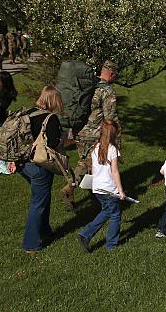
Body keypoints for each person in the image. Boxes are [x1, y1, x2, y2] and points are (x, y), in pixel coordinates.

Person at [63, 60, 120, 210]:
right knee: (90, 163)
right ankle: (71, 186)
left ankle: (92, 194)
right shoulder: (107, 91)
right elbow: (110, 118)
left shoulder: (88, 85)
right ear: (112, 74)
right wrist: (116, 138)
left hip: (79, 131)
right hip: (95, 135)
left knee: (85, 161)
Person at [18, 85, 64, 254]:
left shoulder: (28, 112)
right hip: (39, 165)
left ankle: (45, 230)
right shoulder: (50, 118)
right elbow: (52, 144)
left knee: (43, 197)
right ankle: (30, 244)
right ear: (53, 100)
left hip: (23, 164)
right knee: (38, 203)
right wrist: (62, 139)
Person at [77, 120, 125, 253]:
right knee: (115, 215)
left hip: (97, 188)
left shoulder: (96, 147)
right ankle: (111, 245)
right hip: (109, 189)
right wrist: (120, 190)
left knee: (106, 211)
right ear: (114, 134)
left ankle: (85, 234)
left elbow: (93, 168)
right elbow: (115, 172)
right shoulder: (112, 149)